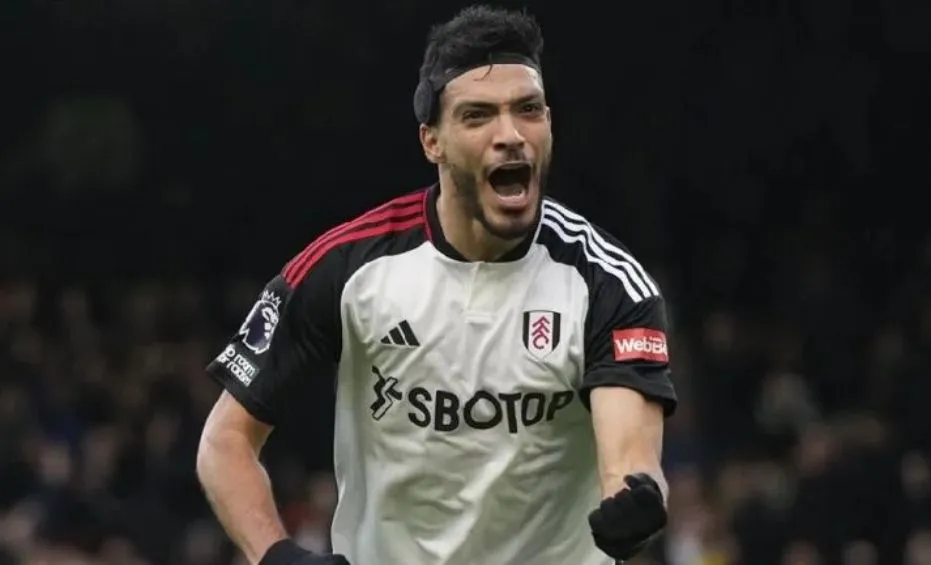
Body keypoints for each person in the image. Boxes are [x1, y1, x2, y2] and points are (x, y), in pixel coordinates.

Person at [196, 5, 677, 565]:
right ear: (433, 141)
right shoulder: (347, 268)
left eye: (528, 111)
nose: (511, 136)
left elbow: (632, 467)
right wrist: (277, 556)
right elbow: (224, 442)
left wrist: (636, 509)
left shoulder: (609, 284)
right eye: (478, 116)